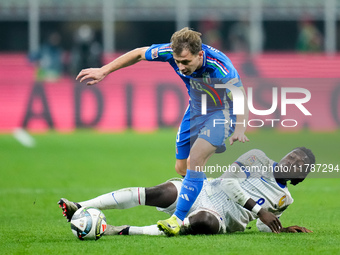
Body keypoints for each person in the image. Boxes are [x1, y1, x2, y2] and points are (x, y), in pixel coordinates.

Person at [76, 27, 249, 236]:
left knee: (196, 159)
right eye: (177, 61)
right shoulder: (170, 51)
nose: (181, 67)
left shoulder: (221, 69)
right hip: (195, 109)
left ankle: (176, 219)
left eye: (186, 62)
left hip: (223, 114)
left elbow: (239, 95)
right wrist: (104, 70)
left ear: (200, 54)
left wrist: (240, 127)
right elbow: (139, 53)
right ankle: (212, 195)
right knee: (181, 168)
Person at [58, 147, 315, 236]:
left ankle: (117, 230)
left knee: (201, 222)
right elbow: (228, 182)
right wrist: (261, 212)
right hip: (206, 190)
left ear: (300, 175)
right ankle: (79, 205)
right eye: (292, 155)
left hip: (223, 218)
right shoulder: (257, 158)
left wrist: (280, 228)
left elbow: (261, 225)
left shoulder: (284, 199)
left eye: (299, 163)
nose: (292, 161)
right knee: (160, 192)